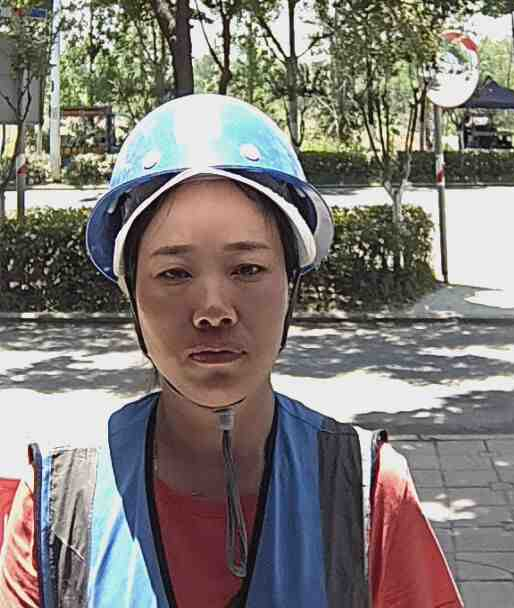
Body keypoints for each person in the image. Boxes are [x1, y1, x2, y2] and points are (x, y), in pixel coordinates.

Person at [0, 94, 463, 608]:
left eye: (247, 269)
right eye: (174, 273)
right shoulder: (59, 501)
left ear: (291, 285)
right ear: (131, 294)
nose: (213, 310)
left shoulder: (367, 492)